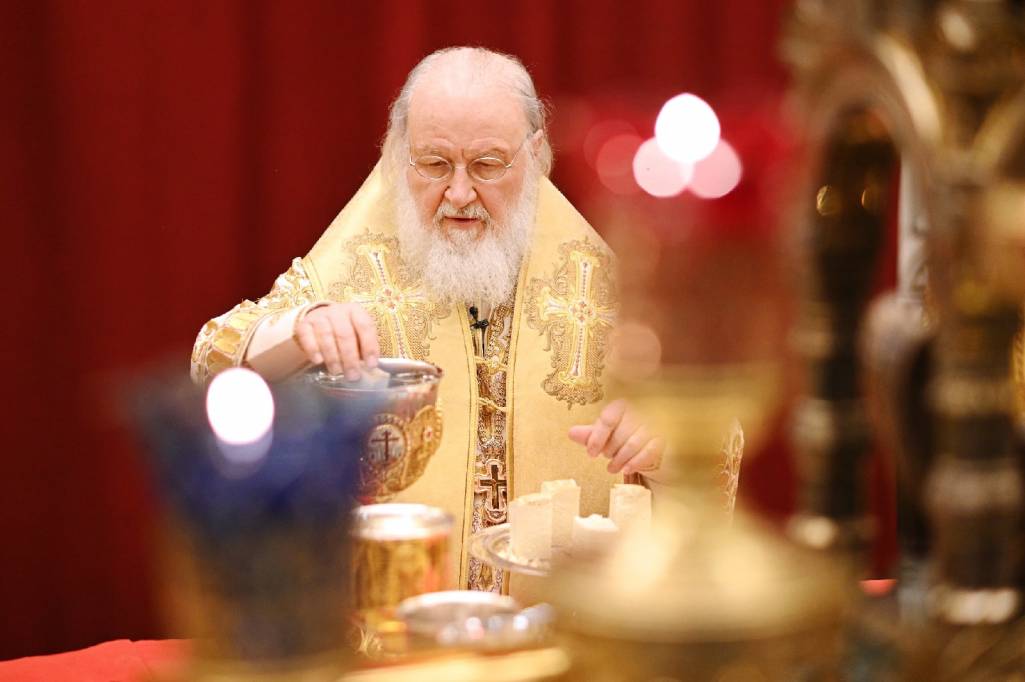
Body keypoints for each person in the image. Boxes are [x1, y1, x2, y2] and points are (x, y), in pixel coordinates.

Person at [191, 47, 663, 594]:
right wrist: (299, 330)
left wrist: (662, 445)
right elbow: (213, 366)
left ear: (535, 155)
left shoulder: (607, 287)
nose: (459, 193)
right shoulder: (354, 269)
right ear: (399, 155)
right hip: (393, 628)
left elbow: (709, 447)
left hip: (564, 629)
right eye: (435, 164)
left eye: (487, 165)